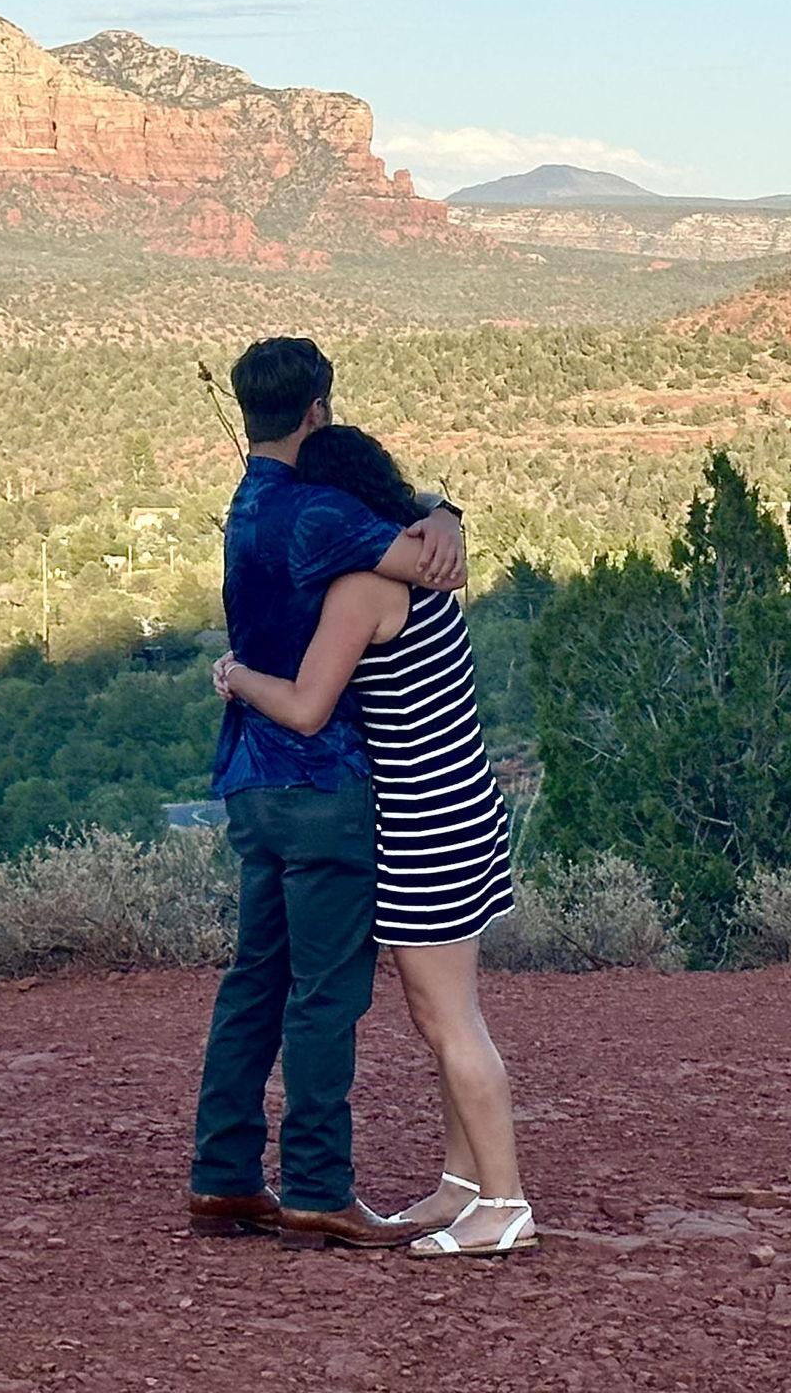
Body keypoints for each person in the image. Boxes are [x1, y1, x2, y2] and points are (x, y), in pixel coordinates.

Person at [214, 425, 533, 1260]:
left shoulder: (362, 587)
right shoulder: (426, 560)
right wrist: (447, 511)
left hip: (425, 818)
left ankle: (505, 1204)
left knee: (447, 1018)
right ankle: (462, 1185)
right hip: (465, 802)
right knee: (450, 1011)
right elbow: (433, 507)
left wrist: (236, 676)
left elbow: (308, 708)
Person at [186, 337, 466, 1253]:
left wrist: (445, 509)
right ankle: (316, 1188)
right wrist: (449, 512)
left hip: (250, 782)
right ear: (319, 410)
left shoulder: (248, 505)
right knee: (326, 995)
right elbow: (431, 562)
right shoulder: (321, 514)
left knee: (253, 980)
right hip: (324, 783)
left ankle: (224, 1177)